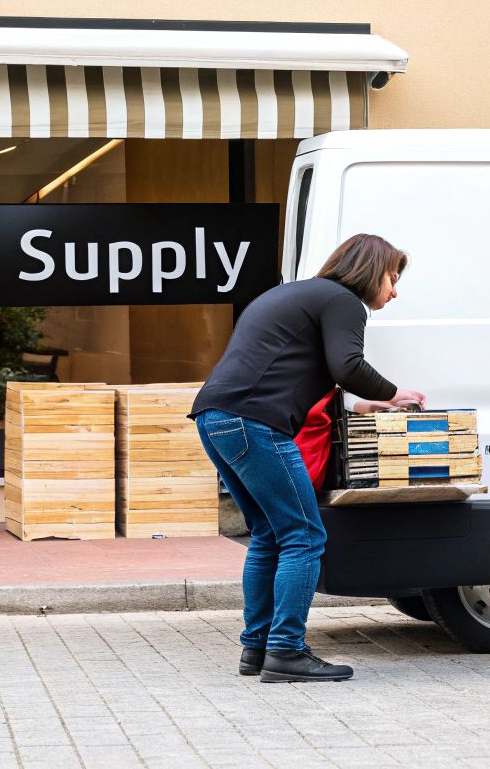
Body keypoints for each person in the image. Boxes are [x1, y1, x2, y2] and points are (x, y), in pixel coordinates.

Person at [191, 233, 425, 682]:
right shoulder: (343, 301)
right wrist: (396, 393)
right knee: (304, 535)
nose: (394, 291)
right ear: (371, 270)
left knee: (267, 535)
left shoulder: (297, 294)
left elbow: (296, 371)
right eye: (393, 279)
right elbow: (348, 366)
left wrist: (362, 406)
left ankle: (256, 650)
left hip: (217, 417)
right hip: (255, 422)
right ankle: (287, 652)